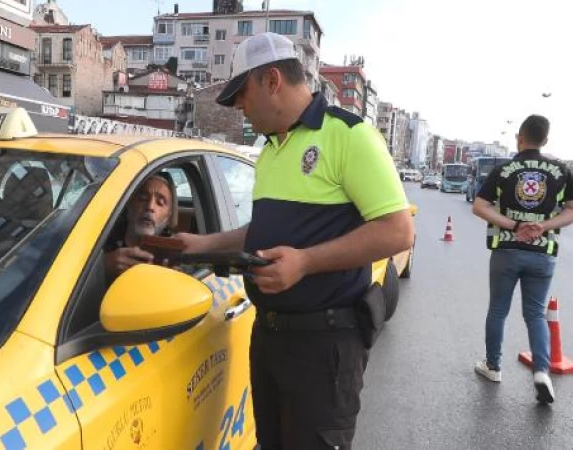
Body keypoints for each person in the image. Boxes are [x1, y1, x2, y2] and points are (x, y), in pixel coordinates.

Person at [175, 32, 414, 449]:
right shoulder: (270, 151)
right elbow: (266, 232)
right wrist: (201, 244)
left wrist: (304, 262)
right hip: (269, 337)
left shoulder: (349, 136)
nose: (237, 107)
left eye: (241, 94)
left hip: (325, 345)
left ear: (271, 80)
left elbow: (397, 231)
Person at [472, 115, 573, 404]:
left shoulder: (504, 170)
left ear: (519, 138)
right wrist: (544, 226)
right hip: (542, 253)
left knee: (498, 310)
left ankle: (493, 366)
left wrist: (512, 225)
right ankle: (541, 372)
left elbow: (480, 206)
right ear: (545, 141)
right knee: (535, 314)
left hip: (506, 250)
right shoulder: (560, 171)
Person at [104, 173, 178, 279]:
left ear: (168, 216)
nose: (150, 207)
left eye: (160, 203)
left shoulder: (174, 253)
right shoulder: (103, 236)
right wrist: (104, 266)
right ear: (129, 204)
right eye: (143, 198)